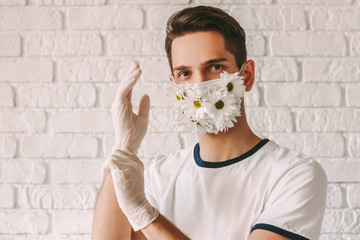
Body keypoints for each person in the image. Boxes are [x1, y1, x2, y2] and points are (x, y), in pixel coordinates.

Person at [91, 5, 327, 240]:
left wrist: (145, 214)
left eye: (215, 67)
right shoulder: (157, 177)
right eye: (185, 73)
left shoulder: (293, 174)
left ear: (247, 76)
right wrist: (124, 149)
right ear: (175, 86)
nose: (200, 84)